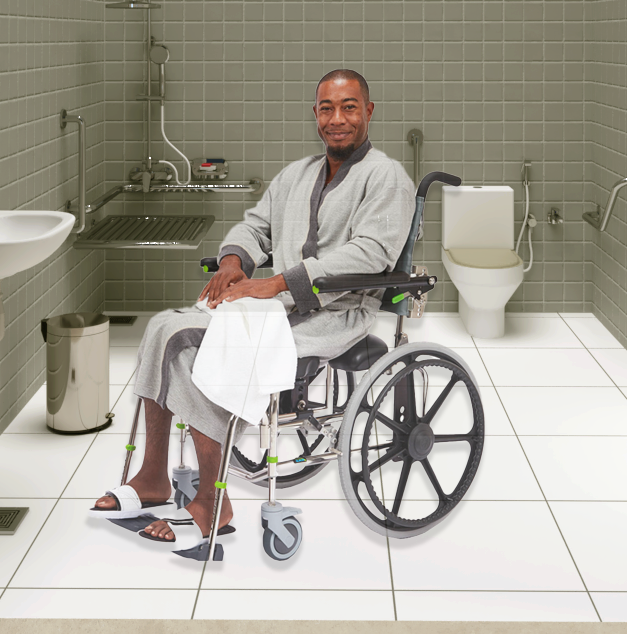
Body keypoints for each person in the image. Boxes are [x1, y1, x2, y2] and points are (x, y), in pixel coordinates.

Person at [92, 69, 415, 543]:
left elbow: (370, 252)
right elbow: (255, 226)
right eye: (327, 108)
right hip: (278, 305)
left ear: (368, 111)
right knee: (163, 326)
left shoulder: (385, 176)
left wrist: (276, 283)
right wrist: (233, 261)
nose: (337, 118)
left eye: (349, 107)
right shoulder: (297, 174)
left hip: (335, 311)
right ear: (315, 115)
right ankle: (153, 474)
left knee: (196, 346)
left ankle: (211, 499)